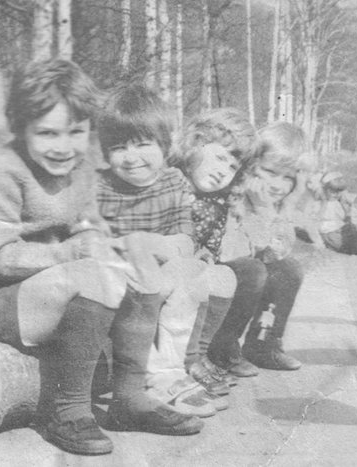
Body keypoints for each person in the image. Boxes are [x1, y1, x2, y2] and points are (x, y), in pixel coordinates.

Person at [0, 59, 201, 458]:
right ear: (21, 129)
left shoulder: (80, 169)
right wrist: (75, 252)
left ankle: (130, 398)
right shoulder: (1, 170)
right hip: (1, 301)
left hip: (57, 286)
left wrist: (106, 245)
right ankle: (65, 410)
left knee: (138, 263)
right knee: (97, 276)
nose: (63, 146)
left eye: (76, 133)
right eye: (47, 133)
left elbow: (87, 226)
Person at [96, 84, 237, 417]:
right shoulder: (99, 187)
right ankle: (158, 376)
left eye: (144, 144)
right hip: (120, 285)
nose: (132, 157)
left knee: (191, 269)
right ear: (105, 153)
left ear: (164, 146)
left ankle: (172, 369)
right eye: (119, 148)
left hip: (159, 277)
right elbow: (90, 244)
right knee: (163, 271)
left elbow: (185, 238)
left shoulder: (173, 181)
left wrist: (155, 245)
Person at [186, 121, 306, 377]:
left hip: (235, 283)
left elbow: (279, 252)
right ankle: (221, 348)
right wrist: (261, 214)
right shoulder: (231, 196)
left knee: (288, 269)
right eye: (270, 172)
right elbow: (233, 255)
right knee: (253, 269)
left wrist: (271, 211)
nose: (278, 185)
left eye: (288, 179)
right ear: (251, 166)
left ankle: (264, 344)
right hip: (212, 287)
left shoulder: (272, 205)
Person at [318, 171, 357, 254]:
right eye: (333, 192)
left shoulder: (339, 201)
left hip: (340, 228)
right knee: (342, 243)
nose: (336, 195)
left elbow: (353, 201)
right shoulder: (324, 204)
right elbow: (320, 220)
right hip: (329, 231)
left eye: (339, 192)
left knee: (354, 231)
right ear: (324, 190)